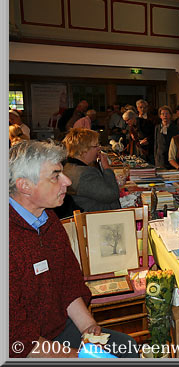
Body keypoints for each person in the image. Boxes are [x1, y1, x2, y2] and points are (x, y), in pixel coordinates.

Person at [9, 141, 138, 358]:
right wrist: (74, 357)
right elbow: (14, 336)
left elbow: (68, 282)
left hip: (57, 329)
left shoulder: (48, 219)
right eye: (55, 175)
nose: (67, 181)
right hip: (20, 346)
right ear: (25, 186)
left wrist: (89, 329)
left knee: (125, 347)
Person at [62, 128, 121, 212]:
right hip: (97, 216)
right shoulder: (85, 174)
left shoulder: (69, 167)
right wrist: (107, 168)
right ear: (84, 150)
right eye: (96, 146)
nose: (99, 149)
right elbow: (113, 195)